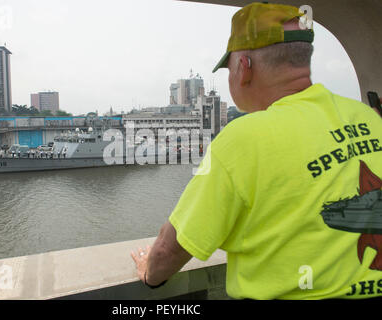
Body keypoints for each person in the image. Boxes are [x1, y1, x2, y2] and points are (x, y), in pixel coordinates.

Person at [131, 2, 382, 299]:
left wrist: (149, 273)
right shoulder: (368, 116)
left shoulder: (242, 139)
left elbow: (170, 249)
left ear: (244, 68)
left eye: (229, 68)